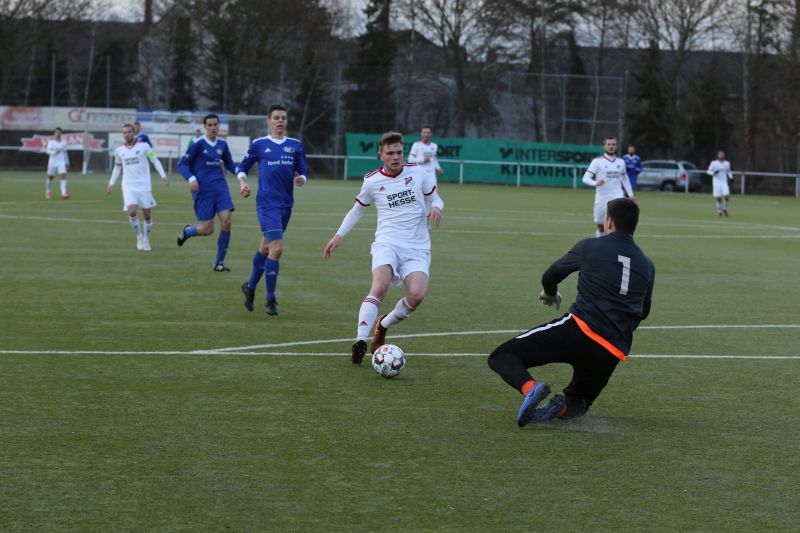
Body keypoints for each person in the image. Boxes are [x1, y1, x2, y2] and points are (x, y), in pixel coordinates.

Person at [488, 198, 655, 427]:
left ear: (608, 221)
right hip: (612, 349)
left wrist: (550, 292)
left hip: (578, 331)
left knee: (502, 356)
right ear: (634, 225)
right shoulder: (647, 264)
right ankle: (560, 407)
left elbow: (551, 275)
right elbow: (644, 311)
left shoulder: (590, 246)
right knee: (578, 405)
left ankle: (531, 388)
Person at [323, 131, 444, 364]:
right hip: (387, 242)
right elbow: (358, 209)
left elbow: (436, 198)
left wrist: (436, 207)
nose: (396, 157)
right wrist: (338, 235)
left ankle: (383, 324)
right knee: (379, 285)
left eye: (399, 152)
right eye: (390, 153)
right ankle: (360, 340)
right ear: (381, 155)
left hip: (417, 247)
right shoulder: (372, 181)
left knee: (417, 295)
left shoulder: (417, 173)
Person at [237, 104, 307, 316]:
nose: (280, 121)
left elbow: (303, 171)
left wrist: (301, 179)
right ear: (268, 121)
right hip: (267, 204)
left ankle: (249, 287)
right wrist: (243, 183)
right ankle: (270, 299)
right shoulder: (259, 145)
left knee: (266, 248)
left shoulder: (295, 145)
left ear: (286, 121)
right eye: (276, 118)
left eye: (283, 118)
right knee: (277, 247)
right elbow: (241, 167)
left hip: (286, 204)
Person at [176, 113, 250, 271]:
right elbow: (182, 164)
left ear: (219, 126)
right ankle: (188, 231)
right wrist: (191, 179)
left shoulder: (222, 144)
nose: (213, 127)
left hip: (221, 188)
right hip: (203, 190)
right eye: (209, 125)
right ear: (205, 126)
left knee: (227, 221)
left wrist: (240, 173)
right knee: (207, 230)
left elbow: (229, 164)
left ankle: (219, 263)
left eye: (215, 124)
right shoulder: (198, 144)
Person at [107, 123, 169, 251]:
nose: (126, 134)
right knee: (132, 212)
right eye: (124, 132)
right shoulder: (119, 150)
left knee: (147, 215)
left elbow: (154, 160)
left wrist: (163, 175)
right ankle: (139, 237)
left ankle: (147, 239)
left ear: (133, 133)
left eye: (129, 132)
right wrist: (111, 183)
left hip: (144, 186)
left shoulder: (144, 146)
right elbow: (117, 167)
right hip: (128, 185)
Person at [582, 136, 635, 237]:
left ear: (616, 146)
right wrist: (595, 182)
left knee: (617, 225)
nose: (611, 147)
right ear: (604, 147)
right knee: (600, 225)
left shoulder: (621, 162)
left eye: (613, 144)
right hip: (602, 196)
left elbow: (625, 178)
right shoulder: (597, 161)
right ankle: (601, 246)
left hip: (617, 195)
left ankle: (615, 247)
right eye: (609, 144)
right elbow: (585, 178)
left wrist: (630, 194)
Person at [45, 127, 69, 199]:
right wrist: (55, 152)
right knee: (50, 177)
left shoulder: (64, 143)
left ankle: (63, 193)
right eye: (56, 132)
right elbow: (48, 151)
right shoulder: (51, 142)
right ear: (54, 133)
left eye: (59, 132)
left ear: (61, 134)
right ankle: (48, 191)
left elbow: (65, 153)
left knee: (63, 176)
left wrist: (67, 163)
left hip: (61, 162)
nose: (58, 134)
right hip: (52, 162)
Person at [707, 150, 733, 217]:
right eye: (720, 154)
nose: (721, 156)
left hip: (724, 182)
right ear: (717, 156)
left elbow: (728, 171)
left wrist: (731, 177)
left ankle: (724, 208)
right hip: (716, 182)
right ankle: (719, 211)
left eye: (722, 154)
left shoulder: (727, 163)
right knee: (718, 198)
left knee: (727, 195)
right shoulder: (714, 163)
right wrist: (713, 173)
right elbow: (708, 171)